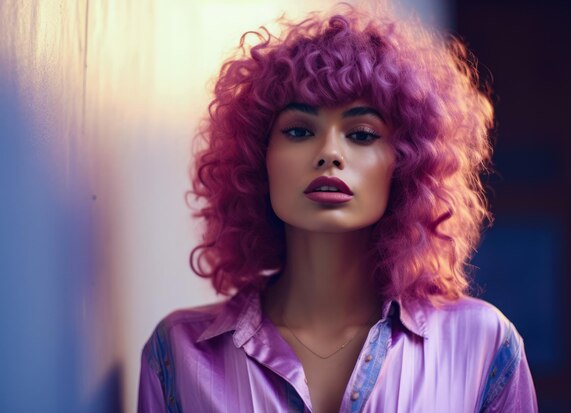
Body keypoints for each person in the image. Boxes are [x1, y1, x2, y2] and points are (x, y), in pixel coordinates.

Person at [138, 3, 538, 412]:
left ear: (405, 164)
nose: (329, 152)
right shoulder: (180, 355)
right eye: (298, 130)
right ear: (260, 159)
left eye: (362, 134)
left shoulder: (482, 344)